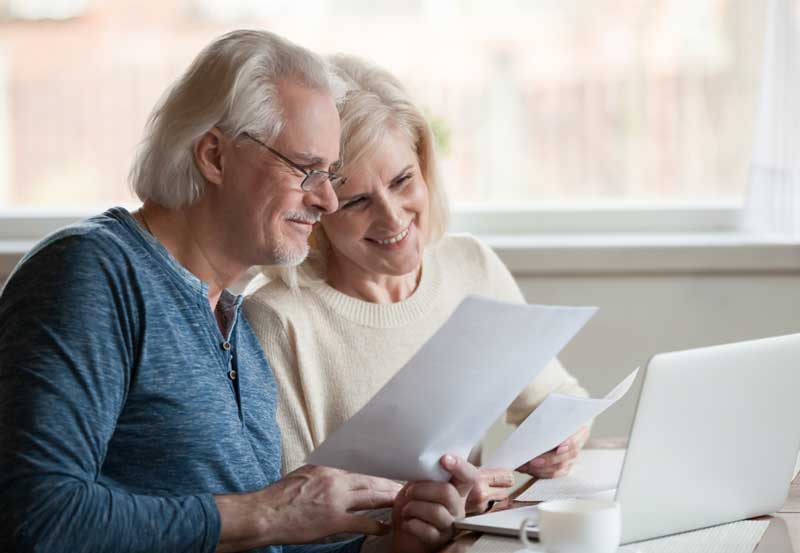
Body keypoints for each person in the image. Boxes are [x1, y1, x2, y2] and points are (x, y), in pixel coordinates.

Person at [0, 30, 479, 553]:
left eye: (330, 174)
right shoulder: (92, 273)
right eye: (306, 169)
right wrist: (266, 510)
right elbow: (35, 518)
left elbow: (264, 539)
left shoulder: (235, 327)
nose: (325, 200)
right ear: (215, 155)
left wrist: (392, 542)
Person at [243, 54, 591, 516]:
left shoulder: (470, 266)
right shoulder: (277, 320)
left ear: (425, 167)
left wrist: (562, 437)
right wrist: (414, 517)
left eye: (403, 180)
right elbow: (288, 512)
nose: (392, 217)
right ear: (318, 211)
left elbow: (556, 397)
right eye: (357, 201)